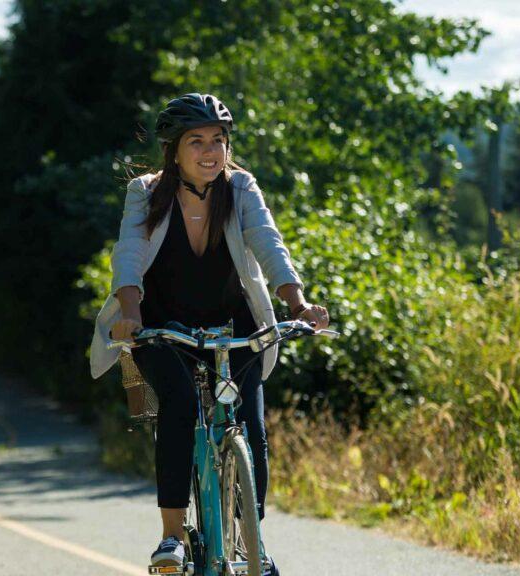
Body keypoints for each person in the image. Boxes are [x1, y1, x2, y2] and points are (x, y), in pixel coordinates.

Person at [88, 93, 330, 567]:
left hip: (233, 322)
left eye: (218, 140)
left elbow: (268, 242)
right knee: (178, 404)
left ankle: (250, 542)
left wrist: (297, 302)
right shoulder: (146, 191)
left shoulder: (240, 188)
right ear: (173, 149)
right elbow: (131, 252)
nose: (210, 151)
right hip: (159, 325)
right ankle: (172, 536)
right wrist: (130, 312)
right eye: (196, 141)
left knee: (252, 428)